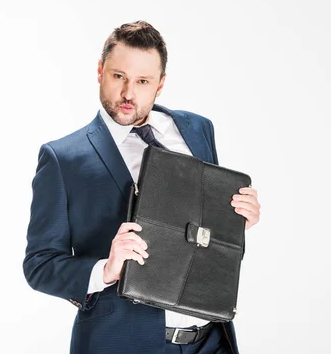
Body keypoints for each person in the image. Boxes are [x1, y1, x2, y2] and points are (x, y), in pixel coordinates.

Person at [23, 21, 261, 354]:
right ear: (100, 71)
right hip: (124, 342)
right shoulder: (63, 159)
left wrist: (234, 221)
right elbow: (40, 265)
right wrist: (106, 269)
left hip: (211, 340)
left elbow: (199, 230)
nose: (128, 94)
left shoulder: (196, 129)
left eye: (142, 81)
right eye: (118, 76)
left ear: (160, 85)